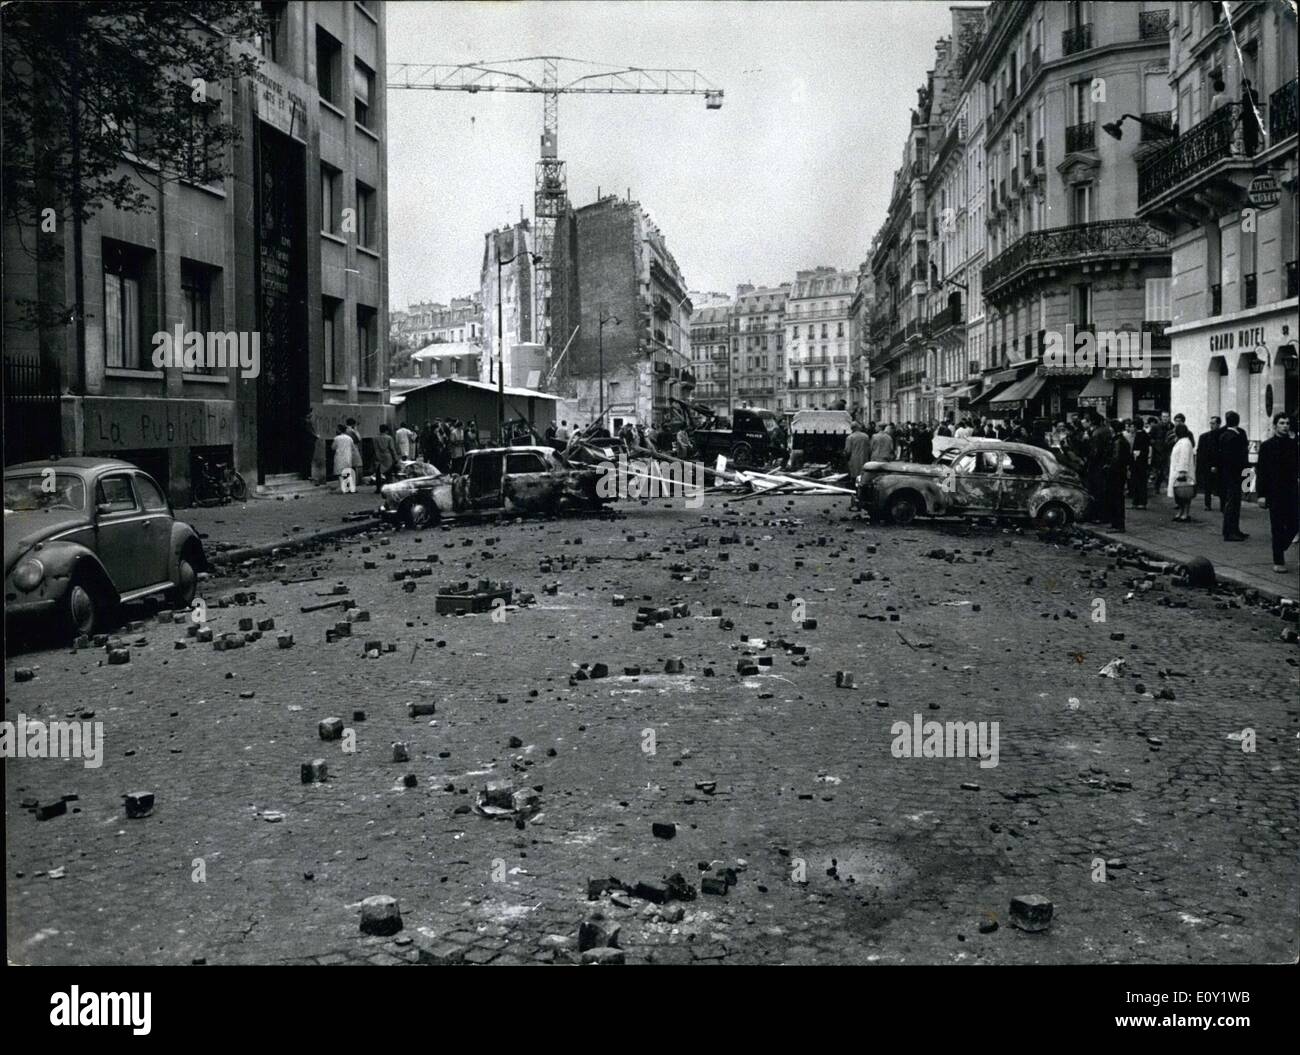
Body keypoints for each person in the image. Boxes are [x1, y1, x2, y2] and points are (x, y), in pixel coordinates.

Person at [1255, 413, 1298, 573]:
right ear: (1275, 426)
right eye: (1281, 423)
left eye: (1287, 423)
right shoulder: (1267, 446)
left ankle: (1281, 546)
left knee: (1295, 524)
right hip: (1274, 492)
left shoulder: (1294, 445)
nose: (1285, 426)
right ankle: (1278, 561)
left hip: (1292, 491)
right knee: (1277, 526)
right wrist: (1261, 494)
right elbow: (1261, 471)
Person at [1218, 410, 1250, 541]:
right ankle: (1230, 532)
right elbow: (1239, 458)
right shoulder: (1234, 436)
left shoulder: (1225, 435)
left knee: (1233, 502)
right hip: (1235, 474)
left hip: (1229, 473)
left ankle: (1234, 530)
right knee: (1233, 503)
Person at [1085, 413, 1113, 522]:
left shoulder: (1096, 433)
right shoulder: (1107, 430)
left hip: (1097, 465)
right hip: (1105, 464)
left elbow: (1095, 452)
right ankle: (1105, 515)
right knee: (1104, 491)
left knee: (1096, 491)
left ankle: (1097, 516)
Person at [1167, 423, 1196, 521]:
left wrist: (1182, 471)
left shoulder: (1185, 443)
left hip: (1182, 472)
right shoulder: (1181, 441)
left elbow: (1184, 458)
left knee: (1185, 494)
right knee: (1179, 494)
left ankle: (1185, 513)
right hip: (1177, 471)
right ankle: (1181, 511)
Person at [1108, 418, 1132, 531]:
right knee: (1117, 498)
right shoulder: (1121, 440)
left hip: (1116, 473)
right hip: (1120, 472)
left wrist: (1108, 467)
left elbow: (1116, 459)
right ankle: (1117, 523)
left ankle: (1117, 524)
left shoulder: (1118, 442)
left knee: (1116, 498)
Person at [1196, 416, 1221, 511]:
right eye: (1211, 423)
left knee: (1220, 485)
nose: (1211, 425)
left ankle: (1222, 505)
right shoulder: (1204, 437)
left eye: (1213, 423)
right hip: (1207, 465)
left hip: (1219, 465)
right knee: (1207, 486)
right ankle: (1207, 504)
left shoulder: (1222, 436)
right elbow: (1200, 452)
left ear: (1218, 424)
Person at [1129, 417, 1150, 508]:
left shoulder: (1139, 436)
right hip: (1142, 462)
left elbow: (1137, 450)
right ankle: (1139, 502)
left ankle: (1139, 502)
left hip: (1138, 462)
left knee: (1138, 482)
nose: (1131, 428)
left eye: (1132, 426)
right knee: (1140, 482)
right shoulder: (1144, 435)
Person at [373, 423, 399, 494]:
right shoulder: (389, 438)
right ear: (386, 430)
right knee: (388, 473)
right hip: (387, 457)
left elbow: (374, 448)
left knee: (378, 473)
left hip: (378, 456)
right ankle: (388, 488)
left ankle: (378, 488)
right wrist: (395, 458)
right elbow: (392, 449)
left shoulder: (375, 438)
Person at [331, 424, 357, 492]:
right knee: (347, 472)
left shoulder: (336, 438)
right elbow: (353, 448)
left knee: (339, 473)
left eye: (337, 429)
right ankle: (350, 487)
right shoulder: (349, 438)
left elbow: (333, 447)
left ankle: (342, 487)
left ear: (339, 430)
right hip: (348, 457)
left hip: (339, 457)